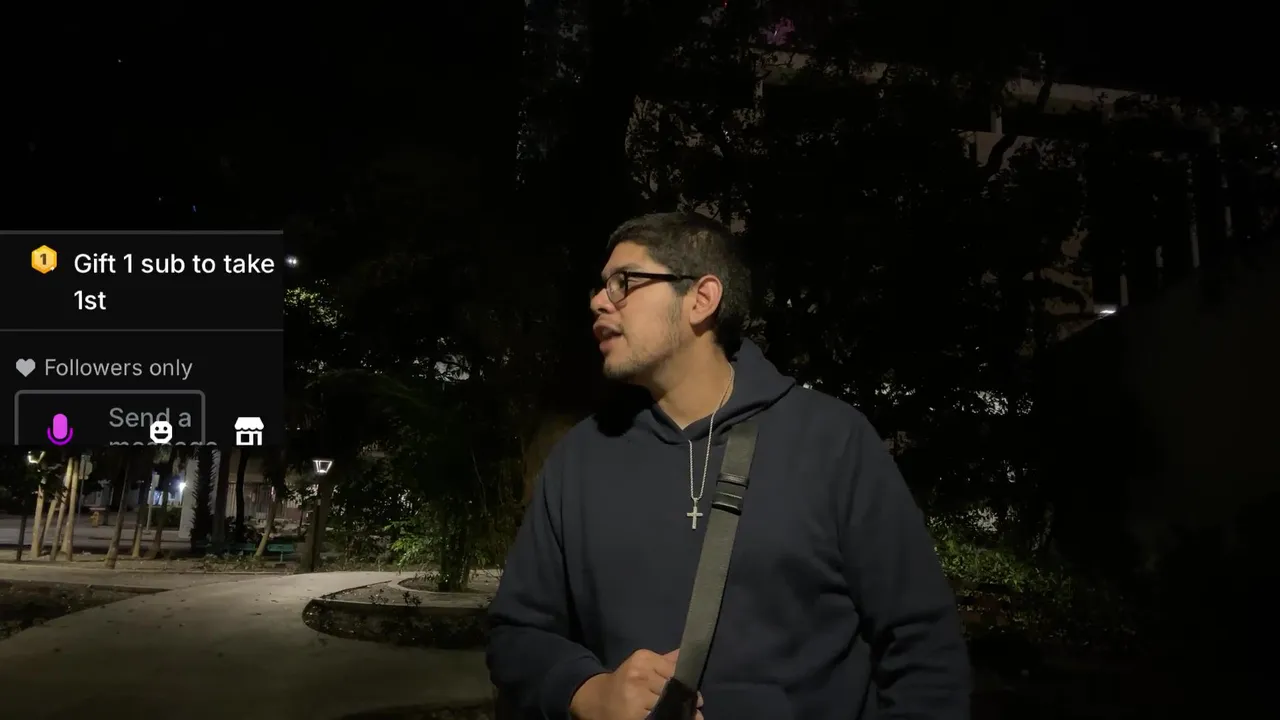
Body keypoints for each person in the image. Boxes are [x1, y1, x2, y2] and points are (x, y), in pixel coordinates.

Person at [487, 212, 970, 719]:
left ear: (701, 298)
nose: (599, 301)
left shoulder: (833, 442)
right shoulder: (580, 458)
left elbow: (924, 647)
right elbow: (517, 633)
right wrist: (590, 692)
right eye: (601, 285)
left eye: (624, 282)